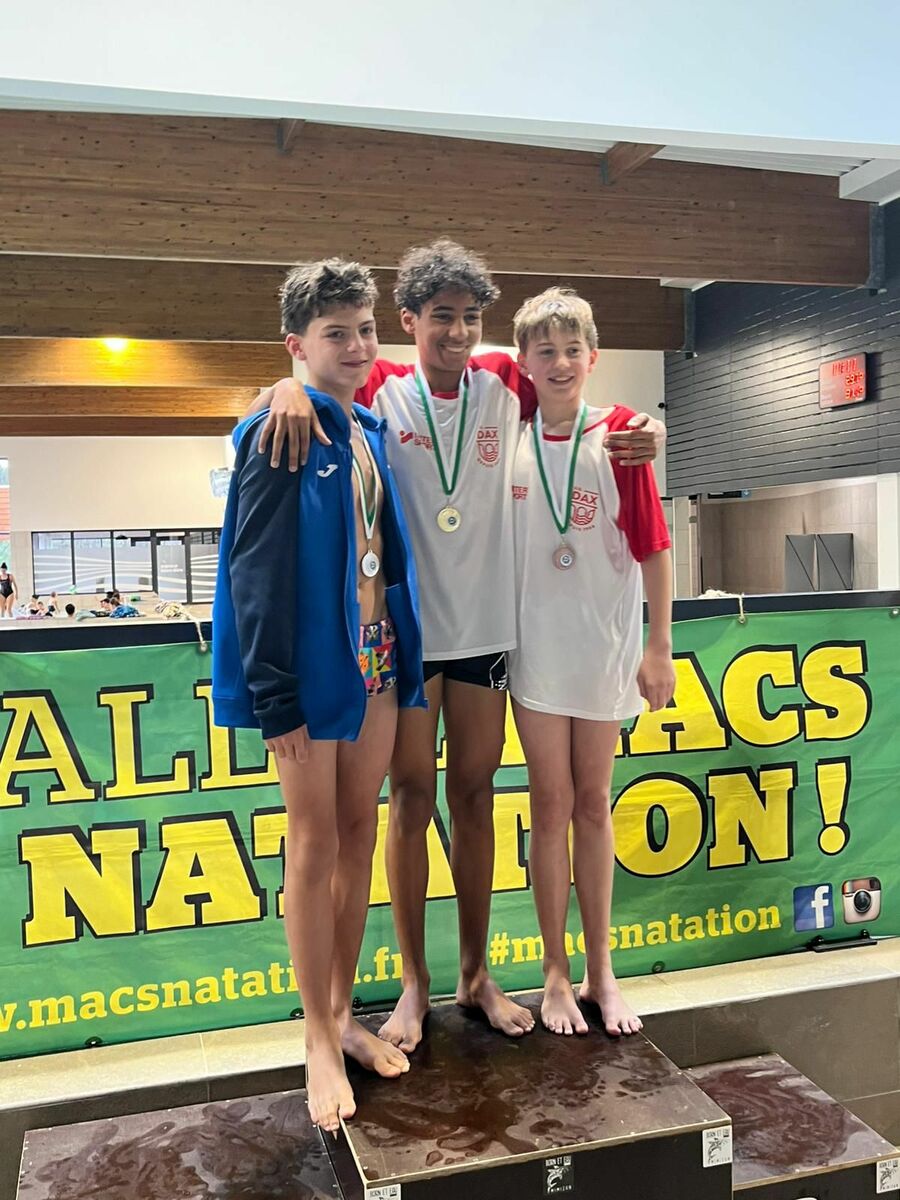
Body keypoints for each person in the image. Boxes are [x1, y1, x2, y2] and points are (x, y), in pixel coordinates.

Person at [250, 240, 666, 1053]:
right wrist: (279, 388)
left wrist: (645, 425)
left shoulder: (504, 379)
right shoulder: (380, 383)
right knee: (409, 802)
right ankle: (416, 983)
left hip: (486, 637)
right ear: (409, 321)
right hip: (409, 639)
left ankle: (476, 974)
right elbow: (314, 376)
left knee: (474, 799)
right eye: (441, 316)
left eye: (471, 317)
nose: (458, 332)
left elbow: (576, 388)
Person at [212, 258, 425, 1134]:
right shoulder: (279, 429)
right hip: (309, 669)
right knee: (313, 843)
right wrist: (274, 696)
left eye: (366, 330)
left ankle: (342, 1011)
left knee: (358, 831)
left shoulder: (366, 427)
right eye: (337, 334)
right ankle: (314, 1037)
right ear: (296, 345)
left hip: (376, 656)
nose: (359, 346)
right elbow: (253, 572)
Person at [509, 288, 675, 1037]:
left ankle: (601, 970)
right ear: (524, 363)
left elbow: (655, 548)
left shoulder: (620, 439)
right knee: (548, 805)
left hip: (604, 648)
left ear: (593, 357)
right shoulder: (509, 435)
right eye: (545, 351)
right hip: (535, 653)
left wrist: (658, 647)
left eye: (572, 350)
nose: (560, 363)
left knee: (593, 803)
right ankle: (554, 971)